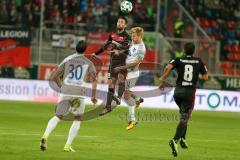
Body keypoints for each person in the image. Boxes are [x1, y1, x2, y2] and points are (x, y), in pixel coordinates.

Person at [40, 40, 97, 152]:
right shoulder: (88, 62)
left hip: (66, 91)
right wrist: (93, 96)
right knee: (77, 118)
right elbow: (94, 80)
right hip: (79, 93)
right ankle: (67, 145)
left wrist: (62, 87)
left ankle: (45, 136)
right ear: (85, 50)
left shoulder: (67, 59)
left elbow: (55, 76)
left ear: (75, 48)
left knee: (58, 116)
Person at [159, 42, 208, 157]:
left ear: (184, 50)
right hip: (189, 93)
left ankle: (182, 139)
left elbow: (168, 67)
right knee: (185, 117)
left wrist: (162, 80)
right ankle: (175, 140)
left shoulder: (178, 59)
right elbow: (206, 77)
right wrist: (196, 74)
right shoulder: (199, 61)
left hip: (178, 93)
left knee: (184, 115)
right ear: (194, 51)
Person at [92, 16, 131, 114]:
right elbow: (106, 46)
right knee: (110, 83)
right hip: (113, 61)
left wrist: (120, 51)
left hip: (123, 62)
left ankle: (118, 97)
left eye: (122, 22)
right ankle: (107, 107)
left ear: (125, 25)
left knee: (121, 79)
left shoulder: (127, 36)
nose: (119, 23)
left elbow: (129, 48)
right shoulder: (112, 35)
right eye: (118, 22)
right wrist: (96, 53)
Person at [114, 27, 146, 130]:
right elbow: (129, 51)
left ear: (140, 36)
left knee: (126, 96)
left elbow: (135, 63)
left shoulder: (142, 48)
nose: (132, 37)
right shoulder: (133, 42)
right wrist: (120, 52)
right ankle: (137, 99)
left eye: (134, 36)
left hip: (132, 73)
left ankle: (133, 119)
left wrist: (122, 67)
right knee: (123, 88)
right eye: (132, 35)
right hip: (126, 71)